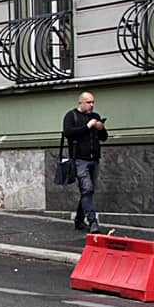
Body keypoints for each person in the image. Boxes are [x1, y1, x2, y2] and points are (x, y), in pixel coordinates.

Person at [63, 91, 108, 234]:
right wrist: (87, 126)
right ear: (81, 103)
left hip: (94, 159)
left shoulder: (95, 116)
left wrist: (101, 128)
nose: (92, 105)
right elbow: (68, 133)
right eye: (89, 102)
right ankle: (93, 221)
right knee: (87, 189)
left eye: (93, 102)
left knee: (87, 191)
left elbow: (104, 138)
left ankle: (79, 220)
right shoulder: (71, 116)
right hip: (79, 160)